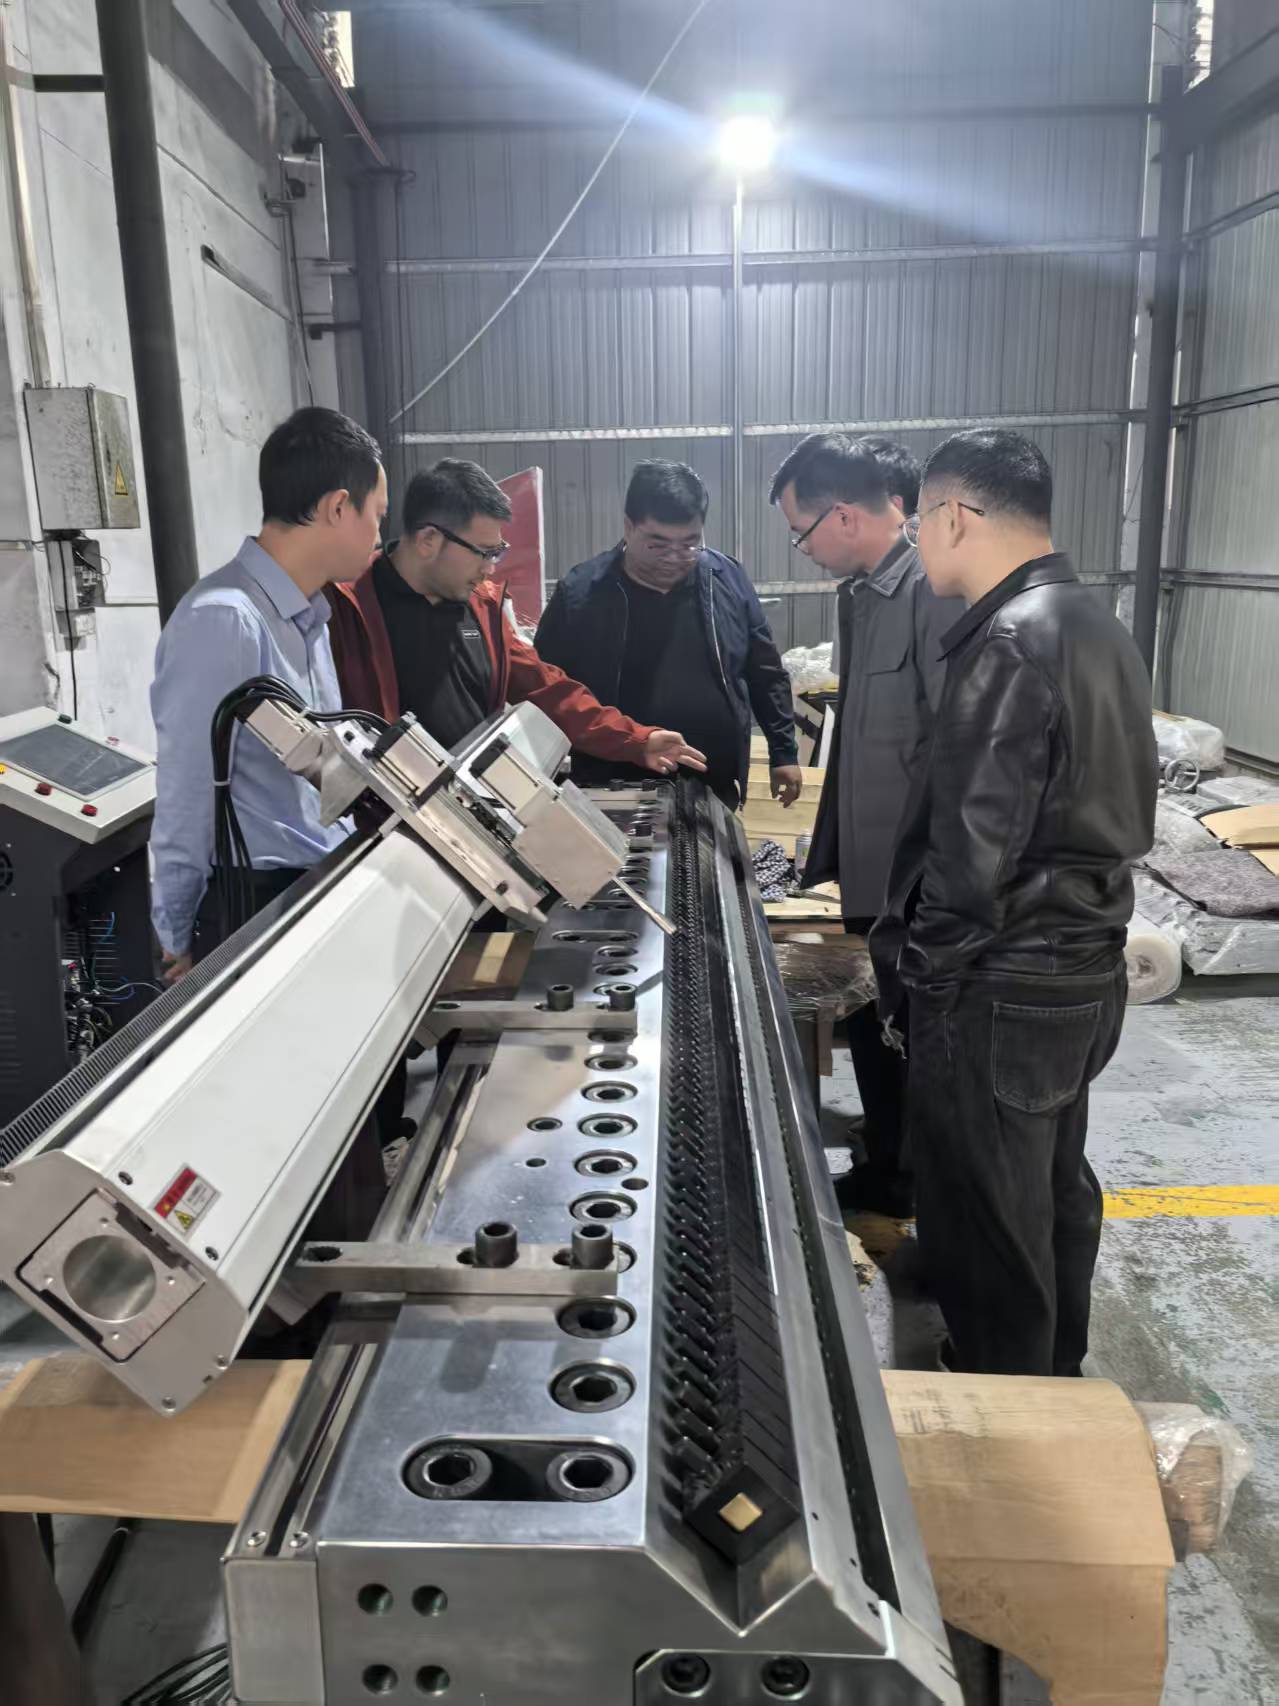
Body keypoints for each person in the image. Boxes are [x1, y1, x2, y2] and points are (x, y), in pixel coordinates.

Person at [870, 430, 1158, 1377]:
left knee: (989, 1212)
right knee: (1050, 1185)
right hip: (1081, 964)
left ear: (954, 516)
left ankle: (1008, 1397)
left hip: (1003, 980)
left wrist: (920, 991)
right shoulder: (1092, 622)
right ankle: (1056, 1368)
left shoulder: (1005, 642)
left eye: (919, 521)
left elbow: (968, 864)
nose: (916, 542)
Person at [770, 434, 960, 1217]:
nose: (803, 549)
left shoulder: (931, 592)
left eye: (802, 532)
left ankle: (905, 1178)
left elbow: (955, 747)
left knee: (907, 1033)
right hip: (870, 868)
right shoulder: (860, 597)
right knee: (879, 1021)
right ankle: (888, 1152)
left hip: (914, 880)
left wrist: (935, 885)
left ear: (843, 516)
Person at [151, 406, 388, 979]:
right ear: (338, 507)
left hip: (314, 884)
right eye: (377, 515)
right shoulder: (225, 620)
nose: (380, 536)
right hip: (255, 904)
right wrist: (174, 935)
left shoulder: (309, 615)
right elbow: (188, 792)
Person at [328, 459, 705, 781]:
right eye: (484, 552)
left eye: (498, 551)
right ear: (428, 540)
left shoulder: (481, 607)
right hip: (385, 822)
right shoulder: (347, 607)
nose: (491, 568)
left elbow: (548, 691)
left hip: (467, 816)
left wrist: (636, 740)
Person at [535, 460, 801, 810]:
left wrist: (784, 751)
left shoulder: (726, 578)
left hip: (713, 786)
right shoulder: (581, 594)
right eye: (658, 544)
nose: (675, 558)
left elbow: (764, 671)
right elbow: (547, 692)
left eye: (690, 543)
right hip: (612, 789)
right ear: (629, 527)